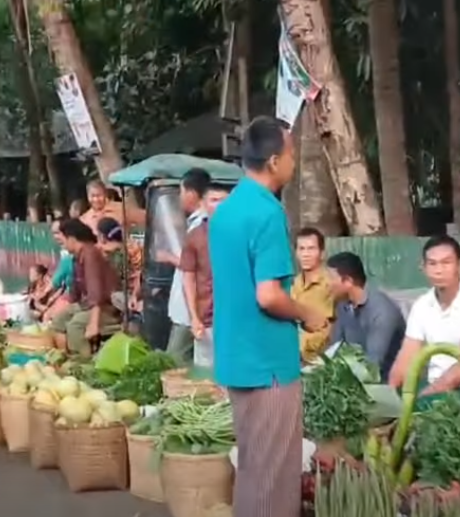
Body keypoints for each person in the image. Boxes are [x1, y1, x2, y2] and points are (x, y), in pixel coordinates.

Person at [209, 116, 327, 517]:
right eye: (291, 154)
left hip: (235, 358)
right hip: (268, 365)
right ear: (274, 161)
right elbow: (269, 295)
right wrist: (308, 314)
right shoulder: (267, 212)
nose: (294, 161)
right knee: (274, 479)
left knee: (252, 469)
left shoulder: (225, 211)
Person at [388, 235, 460, 408]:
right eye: (432, 264)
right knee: (386, 403)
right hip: (435, 385)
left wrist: (421, 398)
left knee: (417, 407)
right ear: (423, 268)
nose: (438, 270)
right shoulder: (422, 305)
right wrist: (390, 395)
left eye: (446, 263)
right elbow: (406, 357)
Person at [325, 252, 405, 381]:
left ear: (348, 281)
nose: (326, 284)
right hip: (355, 377)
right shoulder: (343, 304)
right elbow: (334, 349)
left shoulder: (382, 312)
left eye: (330, 278)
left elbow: (372, 366)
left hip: (386, 383)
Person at [159, 168, 211, 363]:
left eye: (181, 191)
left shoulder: (201, 226)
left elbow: (196, 268)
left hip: (191, 311)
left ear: (192, 193)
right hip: (190, 309)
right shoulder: (194, 223)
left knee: (175, 361)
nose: (180, 197)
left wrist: (169, 257)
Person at [50, 218, 120, 356]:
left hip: (109, 308)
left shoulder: (90, 254)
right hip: (87, 304)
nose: (61, 243)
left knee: (75, 326)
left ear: (72, 238)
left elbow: (96, 292)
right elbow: (75, 293)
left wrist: (93, 323)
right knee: (59, 320)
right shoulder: (76, 257)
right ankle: (65, 358)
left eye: (62, 238)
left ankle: (84, 361)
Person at [179, 184, 229, 367]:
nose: (219, 205)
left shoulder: (242, 234)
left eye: (224, 201)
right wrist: (194, 317)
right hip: (207, 316)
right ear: (203, 204)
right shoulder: (195, 236)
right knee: (206, 373)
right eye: (214, 200)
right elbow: (188, 278)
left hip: (236, 317)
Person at [292, 227, 334, 363]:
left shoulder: (331, 284)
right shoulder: (294, 284)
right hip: (291, 356)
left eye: (311, 249)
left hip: (320, 360)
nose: (306, 254)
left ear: (322, 253)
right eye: (301, 249)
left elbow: (330, 329)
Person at [96, 216, 144, 313]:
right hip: (139, 289)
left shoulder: (116, 253)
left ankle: (136, 310)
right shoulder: (131, 245)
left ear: (102, 237)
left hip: (133, 292)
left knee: (115, 296)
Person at [38, 219, 73, 322]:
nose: (56, 237)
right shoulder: (65, 253)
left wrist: (42, 294)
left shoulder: (70, 257)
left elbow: (56, 282)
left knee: (47, 316)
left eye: (58, 233)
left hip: (74, 297)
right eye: (54, 233)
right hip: (67, 293)